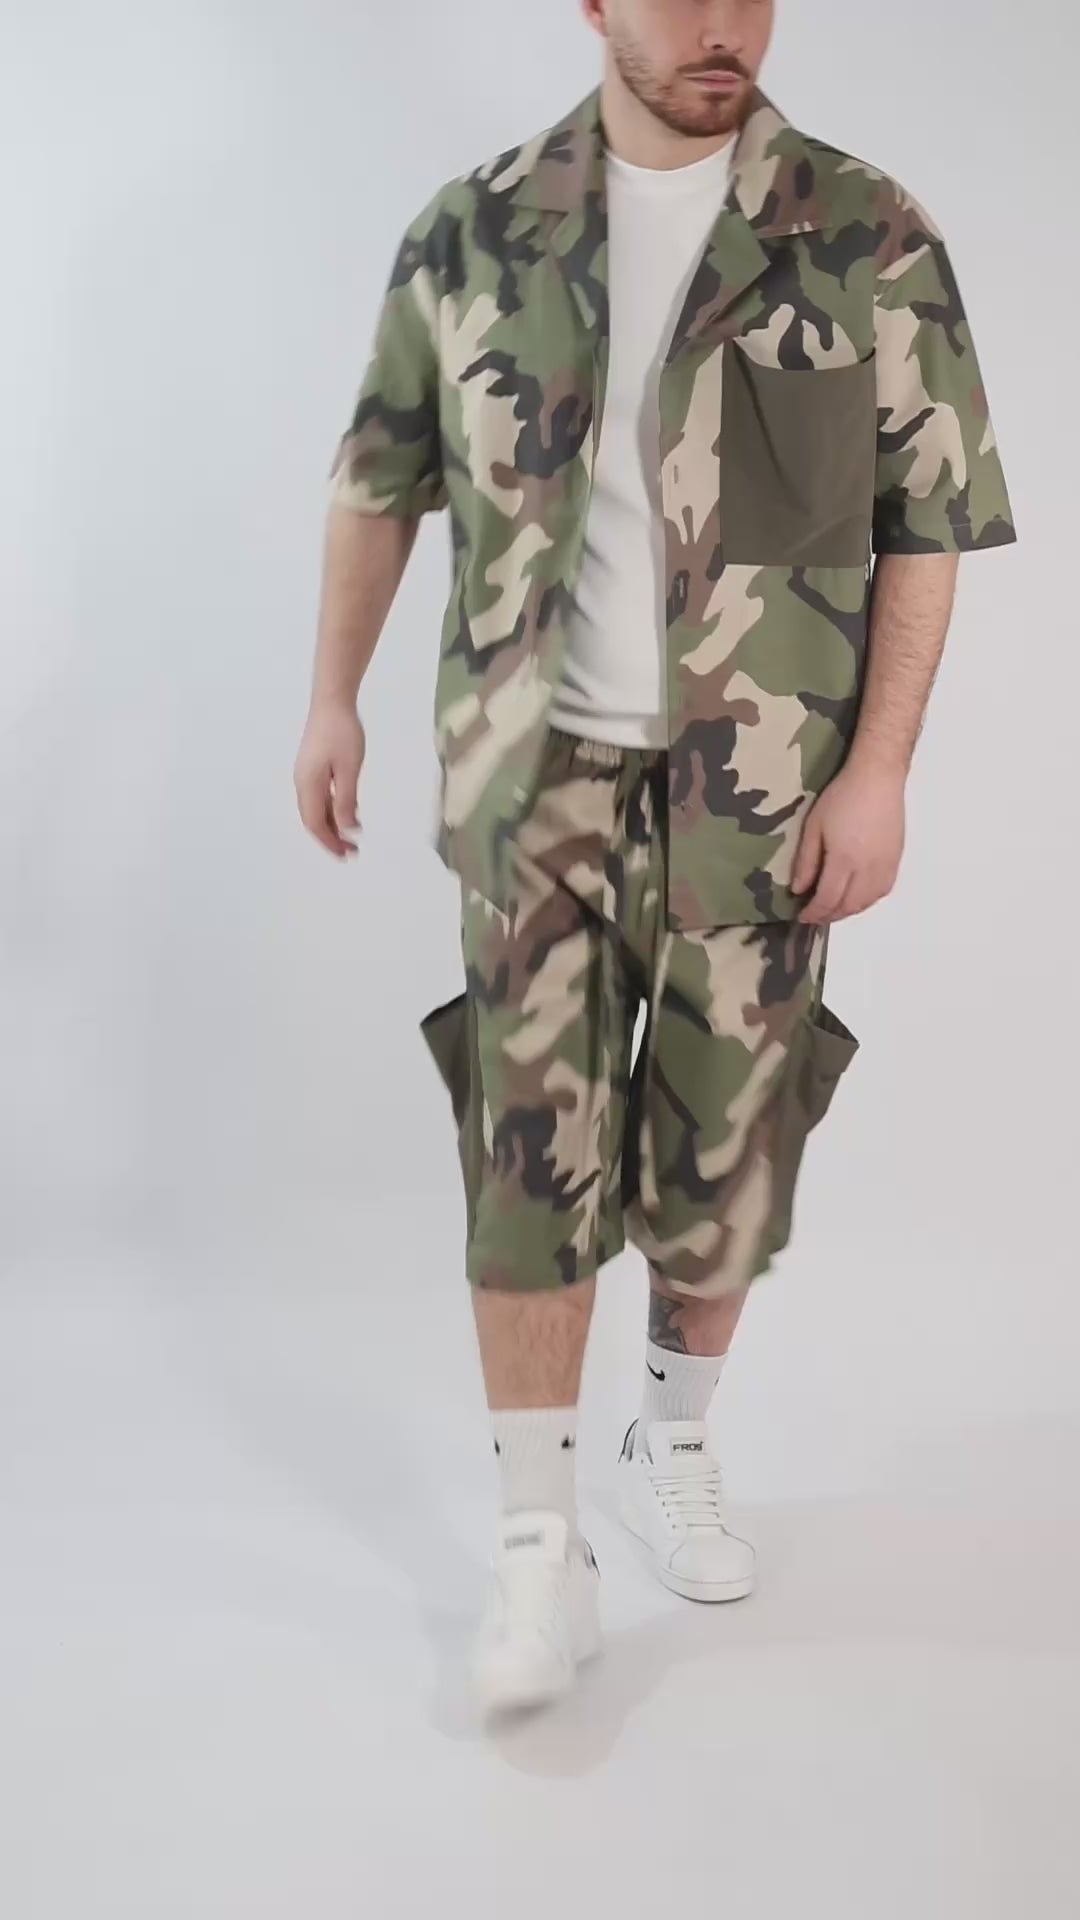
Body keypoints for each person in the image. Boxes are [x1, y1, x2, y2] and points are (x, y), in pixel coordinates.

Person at [295, 0, 1015, 1716]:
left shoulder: (866, 231)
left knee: (727, 1151)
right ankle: (538, 1546)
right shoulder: (476, 229)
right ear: (596, 3)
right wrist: (331, 698)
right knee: (526, 1156)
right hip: (528, 786)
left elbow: (928, 520)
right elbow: (380, 479)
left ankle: (671, 1438)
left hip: (760, 796)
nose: (720, 25)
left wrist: (882, 772)